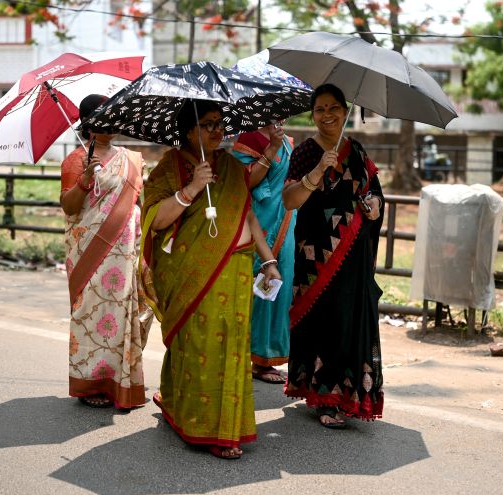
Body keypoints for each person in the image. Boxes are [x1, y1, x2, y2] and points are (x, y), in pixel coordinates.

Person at [141, 100, 281, 459]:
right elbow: (154, 221)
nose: (217, 131)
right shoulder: (170, 168)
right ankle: (196, 423)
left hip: (235, 272)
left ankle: (228, 428)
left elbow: (248, 217)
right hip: (191, 273)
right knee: (199, 345)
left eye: (220, 123)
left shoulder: (233, 168)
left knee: (232, 349)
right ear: (188, 130)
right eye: (207, 124)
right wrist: (188, 190)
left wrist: (269, 261)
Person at [282, 84, 385, 428]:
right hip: (315, 256)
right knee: (323, 321)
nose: (327, 115)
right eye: (320, 109)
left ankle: (350, 396)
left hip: (353, 255)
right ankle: (324, 398)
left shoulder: (356, 151)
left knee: (350, 321)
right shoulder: (306, 152)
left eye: (334, 108)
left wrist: (374, 208)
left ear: (345, 111)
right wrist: (315, 174)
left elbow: (374, 194)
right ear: (312, 115)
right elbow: (289, 200)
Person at [60, 94, 150, 411]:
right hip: (89, 253)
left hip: (126, 251)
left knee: (127, 311)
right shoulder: (75, 160)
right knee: (92, 313)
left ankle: (121, 379)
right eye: (104, 117)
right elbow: (69, 209)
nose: (112, 122)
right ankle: (91, 382)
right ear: (89, 124)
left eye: (115, 115)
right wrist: (85, 179)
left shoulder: (132, 159)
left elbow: (139, 202)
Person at [232, 122, 296, 384]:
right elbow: (244, 182)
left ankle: (270, 355)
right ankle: (255, 356)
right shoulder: (248, 139)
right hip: (260, 222)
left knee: (282, 288)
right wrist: (270, 151)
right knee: (258, 289)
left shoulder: (290, 142)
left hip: (288, 221)